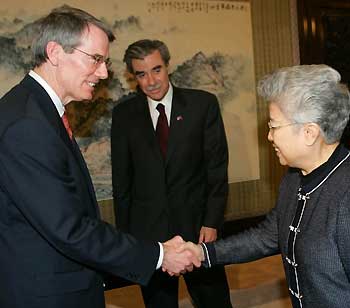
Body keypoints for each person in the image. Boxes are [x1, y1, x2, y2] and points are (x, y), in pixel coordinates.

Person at [0, 7, 199, 308]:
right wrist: (159, 255)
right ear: (55, 52)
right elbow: (70, 228)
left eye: (105, 62)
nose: (104, 73)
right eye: (95, 59)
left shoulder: (35, 110)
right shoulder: (27, 124)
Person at [181, 64, 350, 308]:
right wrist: (203, 253)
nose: (269, 136)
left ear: (310, 132)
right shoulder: (294, 178)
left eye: (274, 126)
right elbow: (269, 236)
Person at [111, 39, 232, 308]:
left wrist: (212, 221)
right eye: (141, 74)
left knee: (215, 302)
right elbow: (122, 183)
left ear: (168, 67)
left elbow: (216, 169)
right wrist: (128, 240)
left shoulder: (203, 105)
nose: (151, 81)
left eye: (157, 70)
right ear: (133, 77)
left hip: (198, 230)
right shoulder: (123, 115)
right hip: (150, 237)